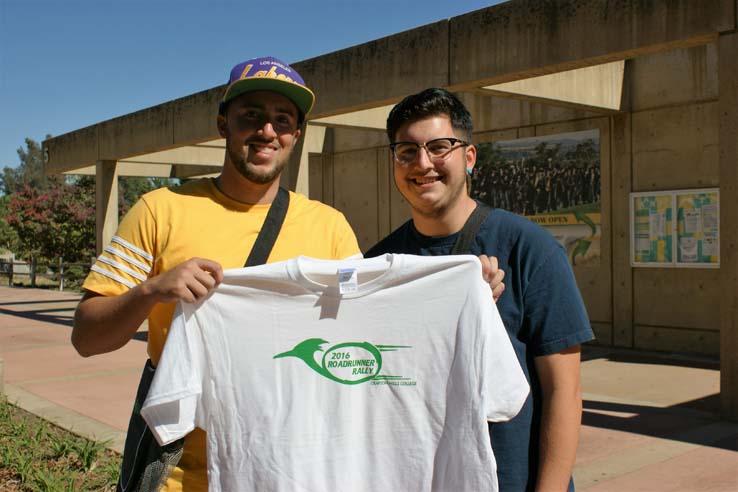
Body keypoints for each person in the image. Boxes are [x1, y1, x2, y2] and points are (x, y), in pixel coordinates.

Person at [72, 56, 362, 491]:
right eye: (252, 116)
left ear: (295, 136)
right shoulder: (159, 211)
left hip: (292, 470)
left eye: (283, 120)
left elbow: (365, 333)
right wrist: (152, 290)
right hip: (179, 473)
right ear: (223, 124)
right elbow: (86, 338)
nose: (267, 131)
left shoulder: (331, 228)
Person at [366, 88, 594, 492]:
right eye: (407, 151)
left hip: (509, 480)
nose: (423, 164)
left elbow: (564, 389)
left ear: (469, 158)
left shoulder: (529, 249)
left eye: (439, 147)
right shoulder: (379, 263)